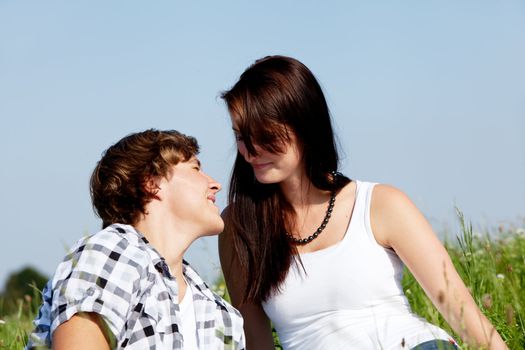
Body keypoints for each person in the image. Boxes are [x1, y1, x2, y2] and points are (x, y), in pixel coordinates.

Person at [218, 56, 507, 350]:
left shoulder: (380, 204)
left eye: (265, 135)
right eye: (241, 136)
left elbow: (466, 318)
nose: (250, 151)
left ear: (305, 125)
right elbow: (257, 342)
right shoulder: (238, 227)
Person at [26, 129, 245, 349]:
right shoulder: (109, 253)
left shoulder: (223, 316)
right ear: (152, 183)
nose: (216, 184)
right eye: (195, 168)